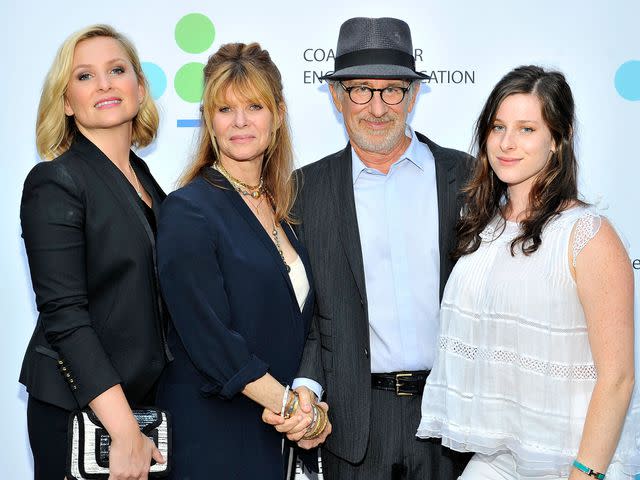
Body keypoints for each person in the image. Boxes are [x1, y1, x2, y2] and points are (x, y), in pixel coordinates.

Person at [263, 16, 473, 479]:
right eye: (361, 89)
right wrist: (305, 389)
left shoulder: (469, 179)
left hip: (455, 420)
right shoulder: (303, 191)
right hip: (354, 427)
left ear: (413, 95)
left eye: (391, 90)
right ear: (337, 98)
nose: (376, 108)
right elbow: (311, 312)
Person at [418, 65, 639, 479]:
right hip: (497, 460)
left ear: (558, 138)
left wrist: (584, 473)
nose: (506, 143)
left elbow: (619, 377)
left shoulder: (588, 236)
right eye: (498, 126)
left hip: (577, 462)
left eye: (526, 129)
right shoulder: (484, 228)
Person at [154, 42, 329, 480]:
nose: (240, 122)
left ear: (279, 114)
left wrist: (306, 404)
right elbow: (210, 338)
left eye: (254, 105)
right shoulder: (188, 209)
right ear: (209, 120)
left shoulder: (286, 208)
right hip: (213, 435)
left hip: (274, 436)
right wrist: (292, 409)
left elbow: (305, 324)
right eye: (225, 109)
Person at [20, 24, 170, 480]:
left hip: (142, 409)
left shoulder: (150, 185)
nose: (104, 83)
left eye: (116, 70)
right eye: (84, 76)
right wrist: (123, 428)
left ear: (139, 89)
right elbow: (65, 316)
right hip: (81, 413)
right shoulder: (55, 182)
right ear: (67, 103)